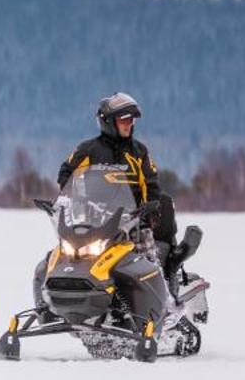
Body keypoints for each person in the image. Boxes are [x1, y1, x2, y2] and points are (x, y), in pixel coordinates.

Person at [57, 92, 183, 275]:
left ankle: (163, 291)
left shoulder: (139, 152)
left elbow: (151, 182)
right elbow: (66, 173)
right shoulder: (88, 150)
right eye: (124, 120)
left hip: (133, 220)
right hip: (96, 221)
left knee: (148, 265)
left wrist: (150, 210)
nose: (129, 124)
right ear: (108, 122)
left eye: (131, 120)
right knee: (66, 257)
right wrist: (72, 196)